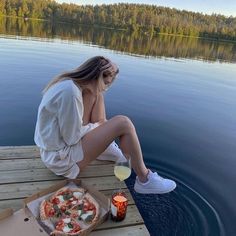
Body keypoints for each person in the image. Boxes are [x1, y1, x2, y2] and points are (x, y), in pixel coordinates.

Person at [34, 56, 176, 194]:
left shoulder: (71, 84)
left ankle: (105, 147)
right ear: (98, 76)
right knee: (123, 123)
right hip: (61, 160)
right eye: (107, 82)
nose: (107, 88)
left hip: (59, 151)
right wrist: (100, 126)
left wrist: (101, 126)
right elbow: (71, 138)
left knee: (95, 93)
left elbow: (72, 131)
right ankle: (145, 179)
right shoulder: (70, 93)